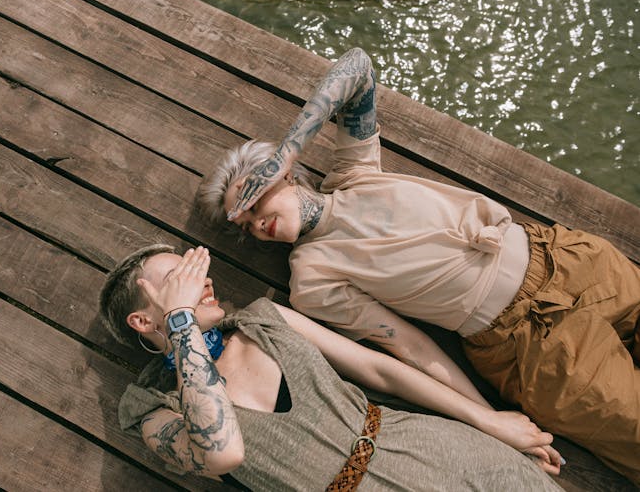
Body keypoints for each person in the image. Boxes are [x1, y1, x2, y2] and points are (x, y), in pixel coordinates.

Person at [196, 47, 640, 484]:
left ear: (283, 174)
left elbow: (358, 67)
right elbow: (410, 347)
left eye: (255, 200)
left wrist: (289, 147)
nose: (258, 223)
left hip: (572, 260)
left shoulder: (354, 172)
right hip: (535, 347)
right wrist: (491, 422)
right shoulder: (312, 278)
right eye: (247, 224)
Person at [99, 245, 564, 490]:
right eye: (179, 278)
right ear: (142, 320)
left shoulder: (265, 318)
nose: (201, 281)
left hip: (434, 448)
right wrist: (181, 323)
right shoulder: (152, 409)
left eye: (196, 269)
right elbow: (222, 454)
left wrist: (488, 422)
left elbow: (378, 369)